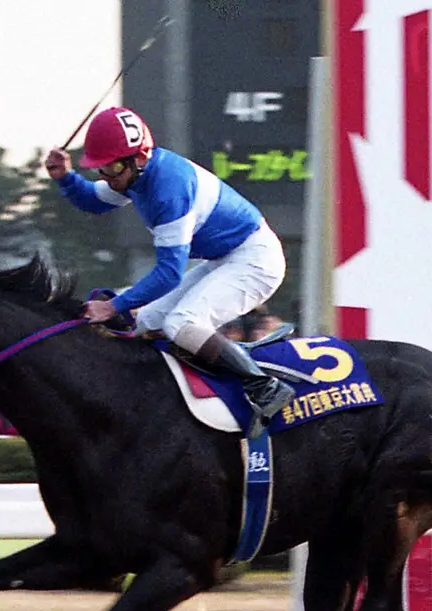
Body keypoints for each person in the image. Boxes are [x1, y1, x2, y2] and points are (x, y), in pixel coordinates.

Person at [44, 106, 294, 436]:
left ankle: (265, 387)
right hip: (224, 259)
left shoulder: (169, 188)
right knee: (141, 320)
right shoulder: (134, 177)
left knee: (181, 323)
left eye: (113, 166)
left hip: (255, 261)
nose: (107, 175)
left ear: (141, 156)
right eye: (101, 167)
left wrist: (114, 305)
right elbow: (94, 201)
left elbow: (169, 274)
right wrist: (65, 177)